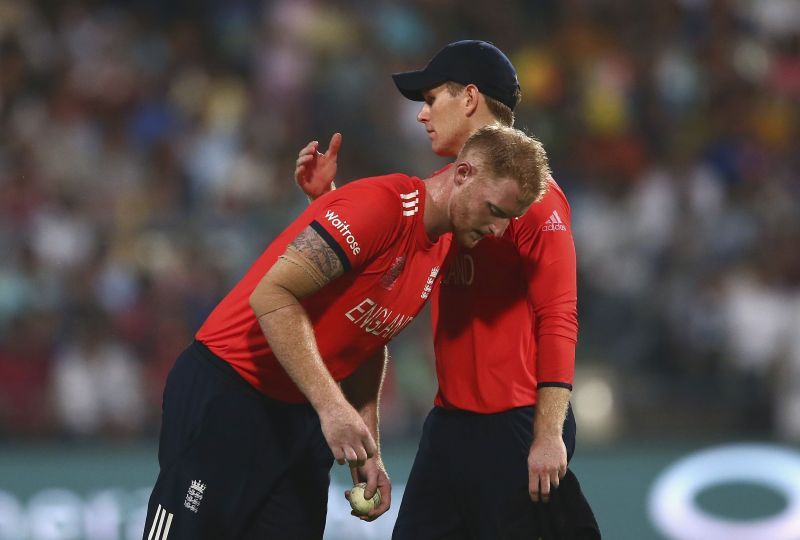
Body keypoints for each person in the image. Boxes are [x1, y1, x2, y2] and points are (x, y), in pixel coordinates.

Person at [142, 124, 552, 540]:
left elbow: (367, 335)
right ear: (463, 174)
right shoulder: (383, 205)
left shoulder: (442, 245)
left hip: (301, 415)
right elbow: (271, 295)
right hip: (232, 392)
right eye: (496, 211)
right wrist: (332, 407)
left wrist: (366, 447)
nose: (498, 230)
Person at [295, 40, 600, 538]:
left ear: (470, 98)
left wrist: (547, 434)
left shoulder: (536, 200)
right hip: (453, 424)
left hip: (517, 425)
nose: (422, 115)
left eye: (432, 98)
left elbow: (559, 313)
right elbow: (377, 275)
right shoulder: (443, 193)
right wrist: (324, 205)